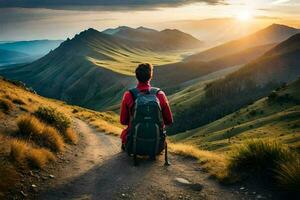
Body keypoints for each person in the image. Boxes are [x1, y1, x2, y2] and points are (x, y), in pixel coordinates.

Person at [120, 63, 173, 151]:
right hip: (157, 145)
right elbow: (169, 121)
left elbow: (123, 121)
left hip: (133, 144)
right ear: (150, 76)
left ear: (136, 76)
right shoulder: (160, 95)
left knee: (124, 134)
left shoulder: (129, 95)